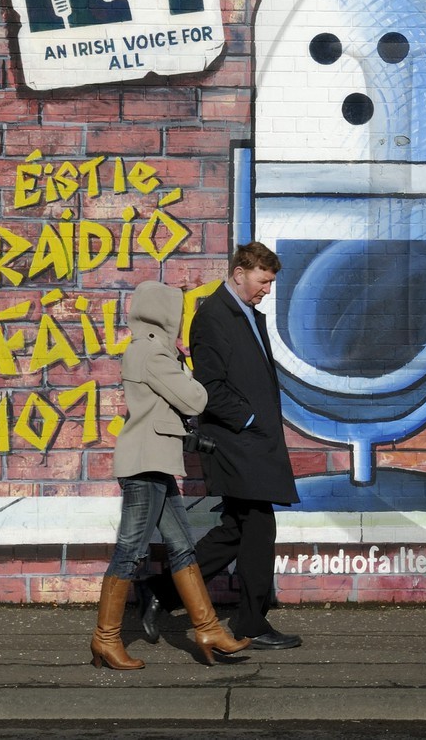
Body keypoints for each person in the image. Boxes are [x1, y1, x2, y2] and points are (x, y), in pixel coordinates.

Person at [138, 243, 301, 650]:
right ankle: (251, 622)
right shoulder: (213, 315)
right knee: (259, 528)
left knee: (236, 530)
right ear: (240, 271)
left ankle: (162, 590)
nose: (266, 290)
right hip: (238, 440)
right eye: (263, 281)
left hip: (252, 440)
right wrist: (248, 419)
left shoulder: (244, 313)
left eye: (270, 283)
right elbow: (209, 385)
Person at [91, 281, 250, 670]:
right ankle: (105, 639)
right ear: (166, 314)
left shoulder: (147, 348)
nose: (181, 321)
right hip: (145, 465)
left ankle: (208, 630)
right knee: (130, 551)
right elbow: (196, 399)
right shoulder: (152, 352)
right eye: (178, 313)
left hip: (155, 464)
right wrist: (183, 365)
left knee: (182, 547)